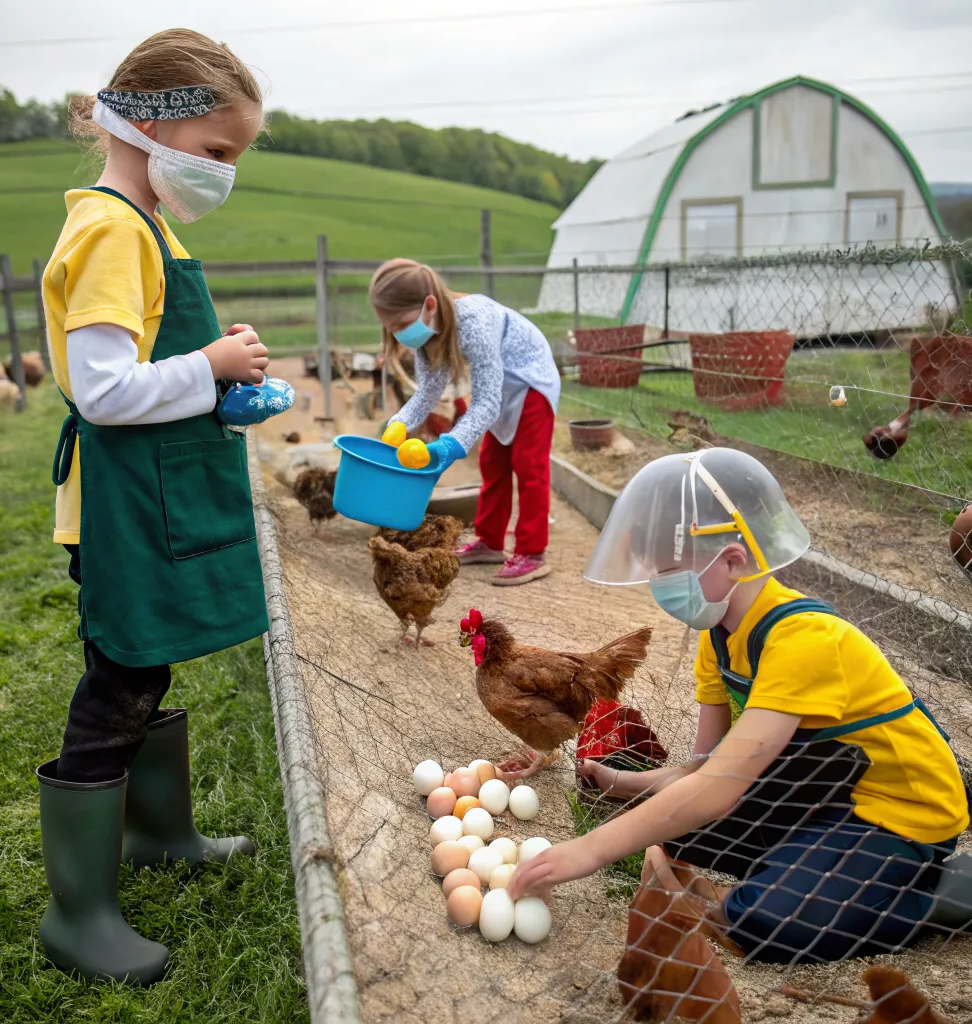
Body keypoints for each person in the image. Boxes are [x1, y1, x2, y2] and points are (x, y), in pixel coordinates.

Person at [509, 447, 970, 964]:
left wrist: (589, 851)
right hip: (824, 789)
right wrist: (623, 784)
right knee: (673, 830)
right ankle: (808, 864)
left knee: (765, 924)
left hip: (899, 813)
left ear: (732, 560)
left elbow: (717, 789)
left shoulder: (803, 640)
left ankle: (940, 894)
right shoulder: (720, 637)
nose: (660, 587)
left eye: (669, 570)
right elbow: (705, 767)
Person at [40, 29, 272, 985]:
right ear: (147, 121)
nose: (224, 173)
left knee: (149, 668)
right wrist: (213, 367)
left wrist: (222, 385)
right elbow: (103, 390)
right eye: (218, 151)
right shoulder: (108, 229)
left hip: (153, 497)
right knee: (118, 687)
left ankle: (157, 836)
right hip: (122, 508)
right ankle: (76, 914)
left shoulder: (146, 222)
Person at [369, 259, 561, 586]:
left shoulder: (472, 323)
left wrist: (450, 445)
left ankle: (532, 552)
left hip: (531, 382)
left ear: (429, 305)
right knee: (492, 463)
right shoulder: (426, 331)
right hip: (501, 388)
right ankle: (490, 541)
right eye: (391, 328)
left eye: (401, 323)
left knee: (529, 466)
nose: (399, 334)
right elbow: (429, 390)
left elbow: (485, 402)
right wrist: (399, 423)